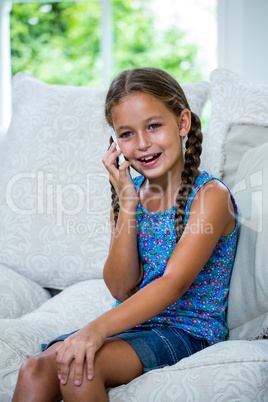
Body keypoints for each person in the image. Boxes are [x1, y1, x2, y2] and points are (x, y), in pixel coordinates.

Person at [12, 67, 238, 402]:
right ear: (116, 144)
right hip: (136, 325)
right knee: (34, 368)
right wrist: (127, 205)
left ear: (183, 123)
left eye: (154, 126)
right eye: (127, 134)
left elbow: (172, 283)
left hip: (185, 330)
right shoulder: (130, 197)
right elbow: (120, 287)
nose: (143, 143)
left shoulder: (210, 196)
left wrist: (97, 328)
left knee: (77, 369)